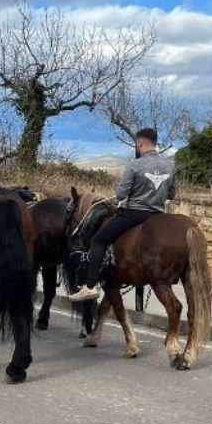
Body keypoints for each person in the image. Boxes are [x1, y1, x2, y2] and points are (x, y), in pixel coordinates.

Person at [69, 127, 176, 302]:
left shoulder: (135, 165)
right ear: (155, 143)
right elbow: (171, 194)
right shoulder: (169, 167)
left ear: (140, 143)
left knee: (98, 240)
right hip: (158, 215)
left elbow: (120, 195)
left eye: (137, 144)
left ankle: (89, 286)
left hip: (135, 213)